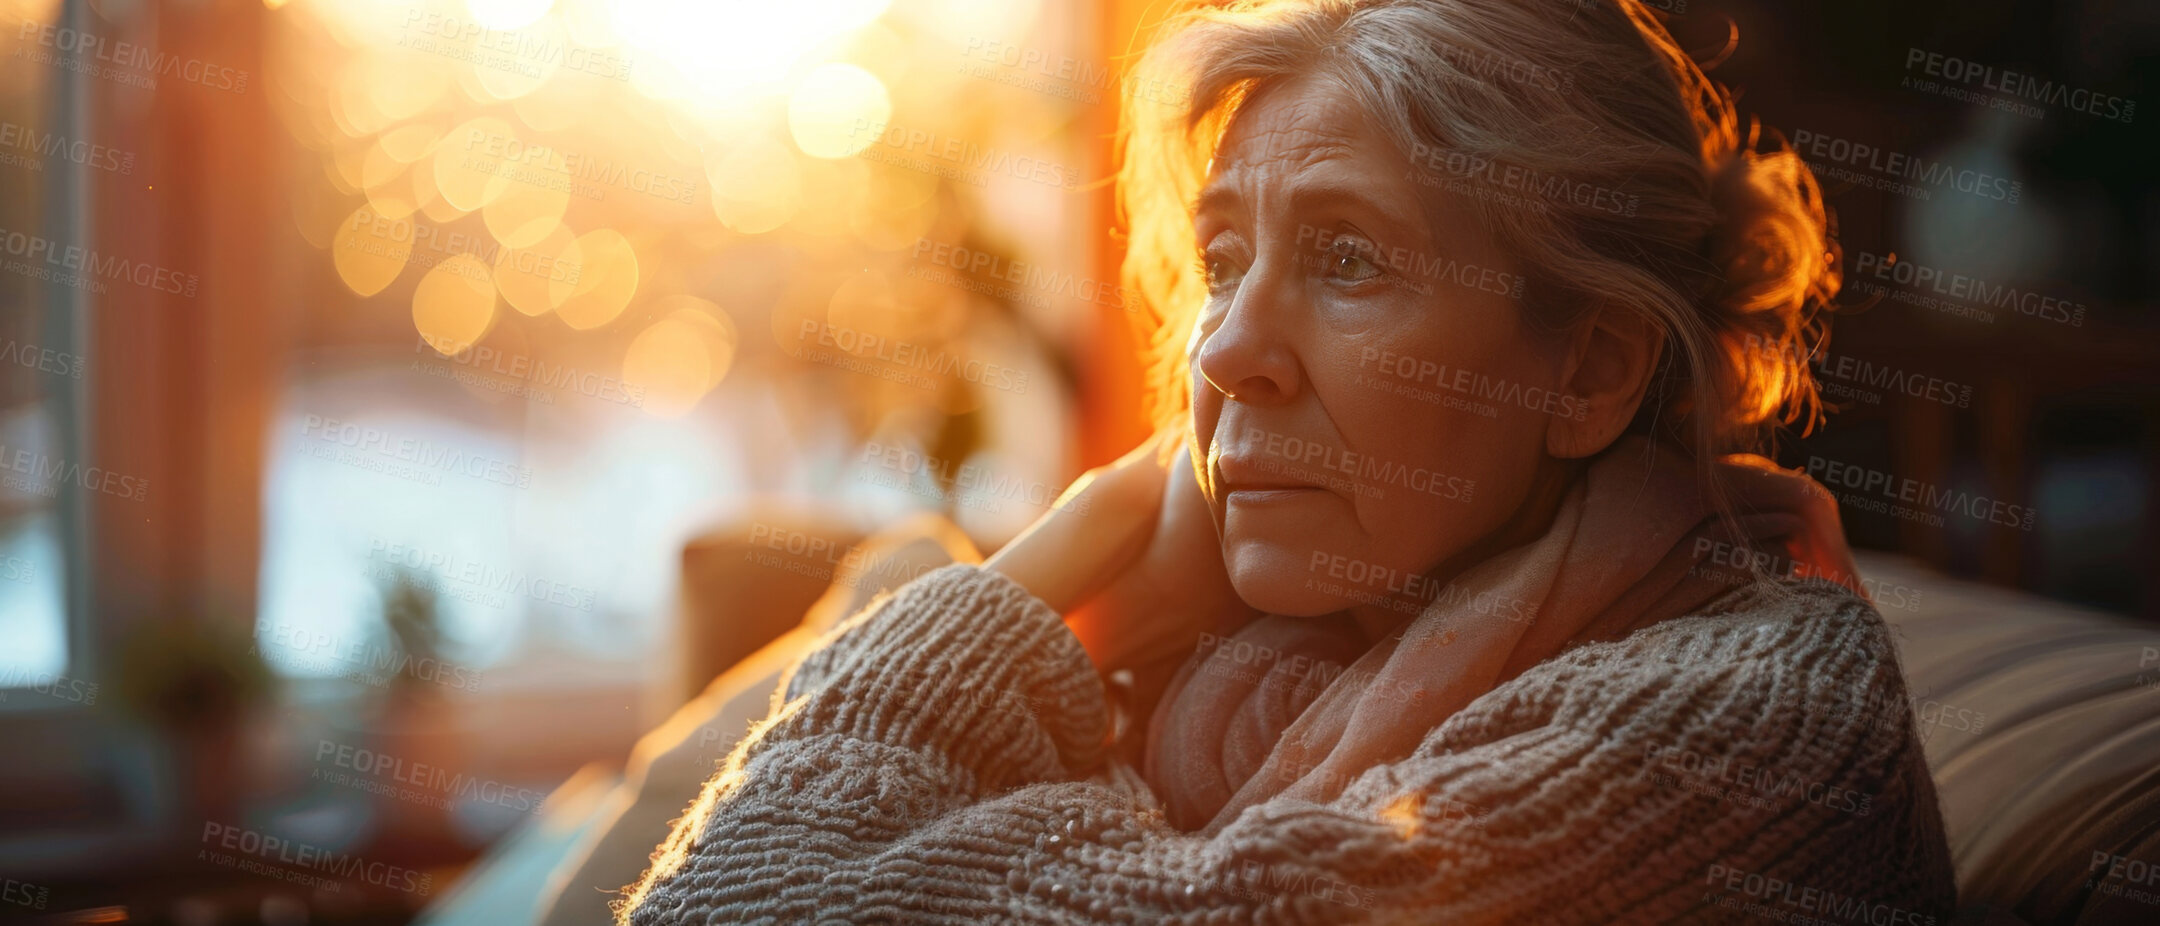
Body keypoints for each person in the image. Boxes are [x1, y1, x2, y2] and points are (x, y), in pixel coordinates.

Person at [617, 0, 1957, 921]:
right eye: (1221, 262)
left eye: (1349, 257)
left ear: (1589, 369)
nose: (1222, 352)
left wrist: (1018, 591)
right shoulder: (1242, 675)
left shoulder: (1752, 731)